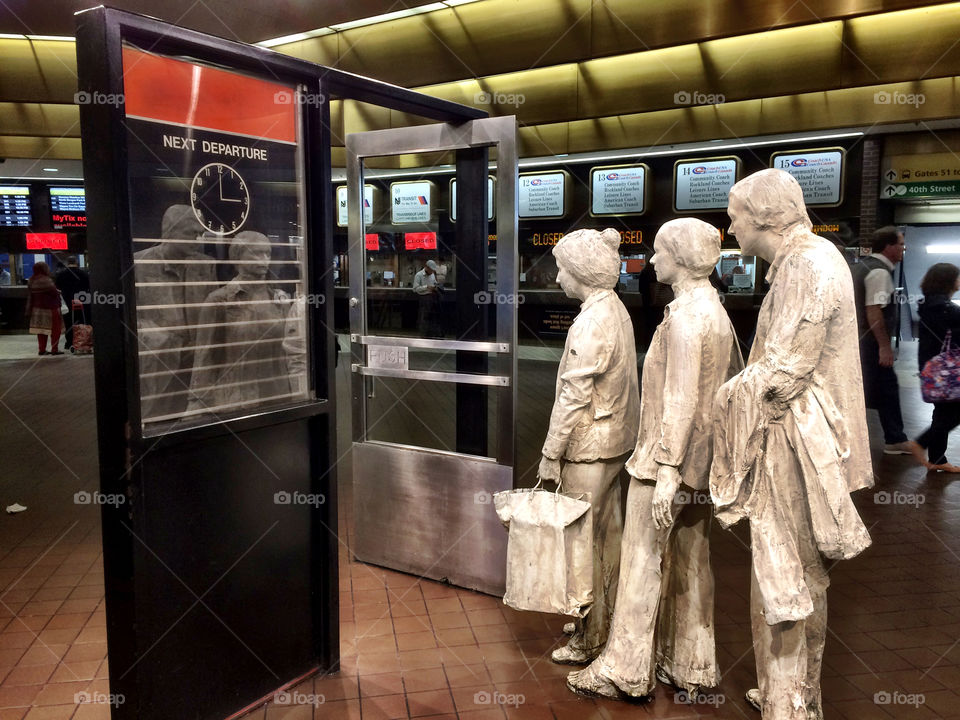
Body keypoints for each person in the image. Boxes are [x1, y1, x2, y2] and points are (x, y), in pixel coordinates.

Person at [711, 169, 873, 720]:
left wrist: (721, 401)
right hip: (796, 435)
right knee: (788, 570)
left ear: (761, 217)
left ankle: (792, 701)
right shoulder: (808, 260)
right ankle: (786, 690)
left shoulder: (806, 263)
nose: (729, 226)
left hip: (799, 440)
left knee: (791, 573)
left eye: (734, 215)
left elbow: (785, 371)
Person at [567, 219, 739, 702]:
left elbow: (681, 398)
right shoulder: (715, 311)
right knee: (691, 559)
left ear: (680, 258)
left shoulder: (686, 318)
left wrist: (665, 471)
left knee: (641, 559)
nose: (653, 260)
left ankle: (625, 668)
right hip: (701, 462)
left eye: (660, 252)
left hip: (667, 461)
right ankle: (691, 664)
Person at [538, 228, 640, 666]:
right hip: (615, 442)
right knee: (608, 535)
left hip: (589, 446)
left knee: (584, 545)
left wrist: (550, 452)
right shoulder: (614, 308)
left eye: (561, 268)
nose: (558, 277)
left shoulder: (590, 320)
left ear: (579, 272)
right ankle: (602, 615)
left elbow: (573, 395)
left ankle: (590, 635)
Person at [187, 231, 296, 415]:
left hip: (277, 396)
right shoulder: (219, 301)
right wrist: (196, 404)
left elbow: (292, 350)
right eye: (256, 253)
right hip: (236, 399)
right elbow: (204, 358)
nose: (264, 260)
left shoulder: (279, 299)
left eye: (267, 253)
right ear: (237, 256)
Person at [134, 205, 216, 423]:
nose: (198, 240)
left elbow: (213, 310)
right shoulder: (139, 265)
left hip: (197, 360)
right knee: (157, 420)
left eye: (200, 234)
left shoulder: (206, 265)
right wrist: (156, 336)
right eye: (191, 234)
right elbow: (129, 317)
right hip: (158, 360)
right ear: (170, 232)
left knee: (195, 422)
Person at [851, 226, 913, 454]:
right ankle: (895, 439)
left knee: (871, 389)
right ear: (888, 247)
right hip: (870, 343)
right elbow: (874, 311)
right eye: (900, 244)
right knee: (886, 388)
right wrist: (885, 347)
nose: (903, 248)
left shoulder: (859, 267)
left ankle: (892, 437)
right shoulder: (879, 272)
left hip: (857, 340)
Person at [912, 262, 960, 472]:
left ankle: (937, 460)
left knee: (942, 411)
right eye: (957, 277)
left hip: (932, 367)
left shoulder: (927, 305)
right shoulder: (947, 310)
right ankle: (921, 442)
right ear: (948, 281)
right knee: (952, 412)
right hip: (948, 370)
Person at [25, 261, 63, 356]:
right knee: (55, 330)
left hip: (37, 309)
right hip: (50, 309)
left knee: (41, 330)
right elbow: (54, 293)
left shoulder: (31, 280)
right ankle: (54, 349)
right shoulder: (46, 280)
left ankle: (42, 349)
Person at [54, 255, 91, 353]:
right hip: (83, 301)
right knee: (82, 321)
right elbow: (89, 286)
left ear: (67, 263)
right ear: (76, 262)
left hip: (67, 302)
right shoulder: (83, 274)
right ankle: (82, 341)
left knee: (69, 322)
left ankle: (69, 342)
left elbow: (57, 287)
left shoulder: (61, 275)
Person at [412, 259, 442, 337]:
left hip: (432, 297)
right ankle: (423, 334)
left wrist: (436, 285)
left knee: (431, 317)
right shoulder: (419, 275)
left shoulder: (432, 274)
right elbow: (415, 289)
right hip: (423, 298)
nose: (432, 272)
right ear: (426, 267)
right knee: (423, 317)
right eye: (431, 270)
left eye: (433, 270)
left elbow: (434, 282)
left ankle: (431, 334)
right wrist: (426, 287)